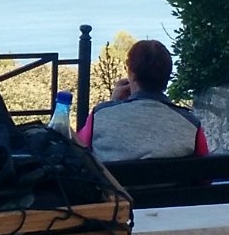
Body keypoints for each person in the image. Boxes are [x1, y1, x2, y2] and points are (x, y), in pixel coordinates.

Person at [75, 38, 209, 162]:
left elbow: (76, 151)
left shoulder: (100, 116)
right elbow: (206, 172)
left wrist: (113, 104)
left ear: (132, 75)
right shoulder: (191, 124)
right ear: (167, 77)